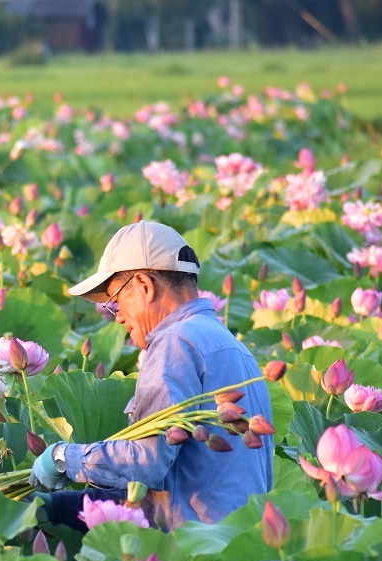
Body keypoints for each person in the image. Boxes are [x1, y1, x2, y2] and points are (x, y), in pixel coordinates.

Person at [30, 220, 273, 529]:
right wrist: (61, 507)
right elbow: (180, 480)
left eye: (116, 302)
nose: (117, 318)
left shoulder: (176, 342)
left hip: (192, 555)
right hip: (239, 544)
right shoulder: (234, 347)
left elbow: (147, 462)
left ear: (144, 285)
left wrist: (63, 458)